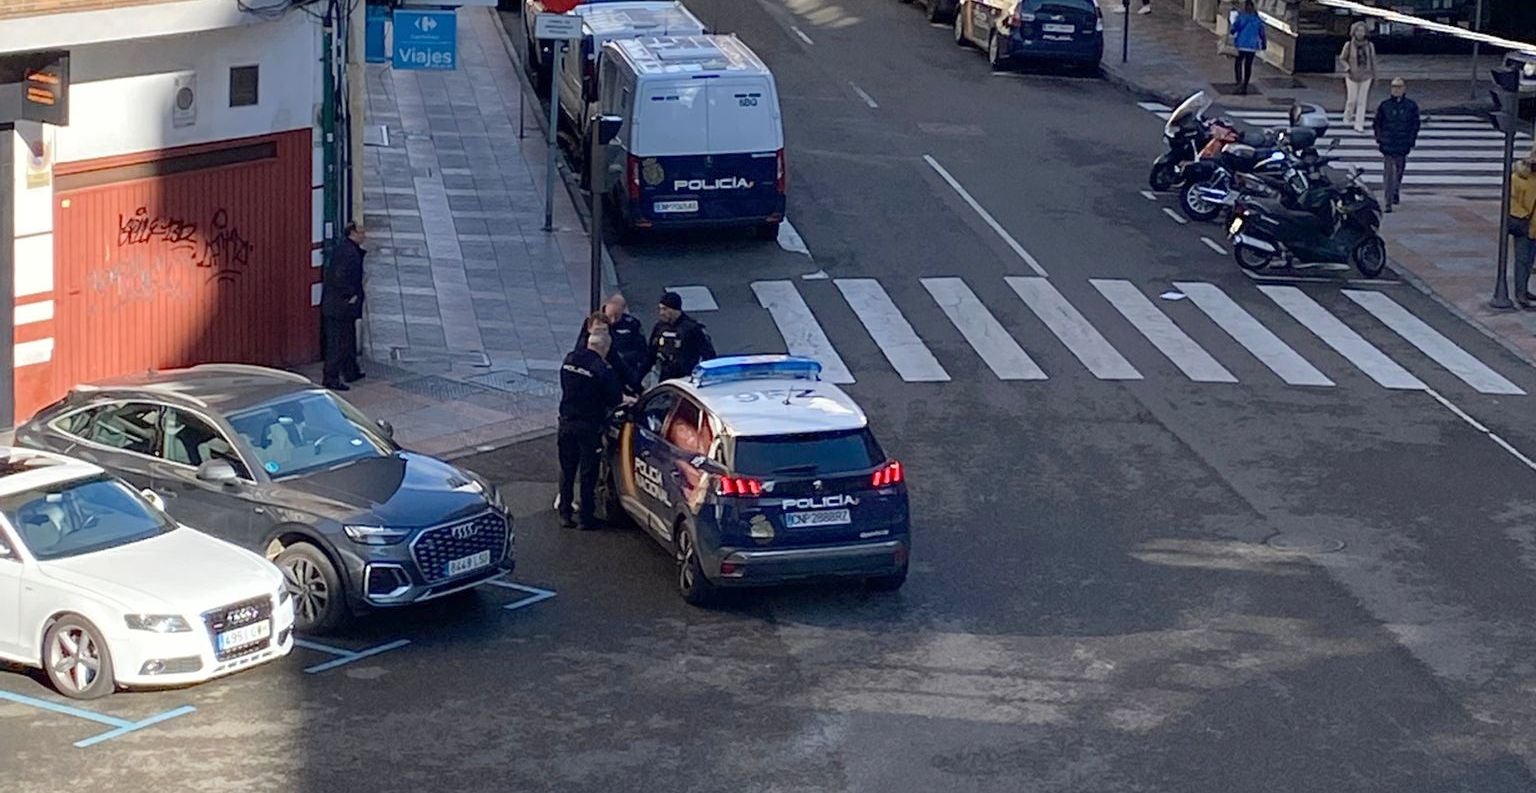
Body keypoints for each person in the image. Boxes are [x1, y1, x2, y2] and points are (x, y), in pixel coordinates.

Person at [557, 333, 624, 529]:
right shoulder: (601, 368)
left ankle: (565, 513)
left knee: (567, 470)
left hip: (566, 423)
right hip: (589, 426)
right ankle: (586, 518)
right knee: (588, 473)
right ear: (604, 348)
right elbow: (614, 398)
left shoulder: (570, 359)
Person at [321, 223, 367, 391]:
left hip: (341, 306)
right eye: (361, 232)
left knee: (347, 339)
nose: (364, 236)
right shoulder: (347, 253)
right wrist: (350, 296)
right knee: (338, 342)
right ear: (353, 233)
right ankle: (331, 377)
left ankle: (350, 371)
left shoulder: (348, 250)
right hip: (339, 306)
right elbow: (339, 277)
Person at [575, 293, 648, 391]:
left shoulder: (632, 324)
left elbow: (642, 350)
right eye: (610, 316)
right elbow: (580, 348)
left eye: (617, 316)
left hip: (623, 369)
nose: (613, 321)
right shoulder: (595, 322)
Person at [1372, 77, 1420, 213]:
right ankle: (1388, 201)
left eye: (1399, 87)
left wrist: (1411, 140)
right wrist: (1379, 138)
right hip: (1388, 143)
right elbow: (1377, 123)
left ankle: (1395, 190)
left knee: (1399, 170)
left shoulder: (1411, 106)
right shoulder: (1385, 105)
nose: (1396, 90)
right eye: (1394, 87)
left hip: (1403, 143)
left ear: (1404, 89)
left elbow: (1415, 124)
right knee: (1388, 173)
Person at [645, 291, 716, 382]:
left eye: (665, 309)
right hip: (666, 377)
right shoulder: (660, 327)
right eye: (660, 309)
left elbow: (708, 354)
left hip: (686, 377)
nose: (661, 313)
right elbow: (650, 355)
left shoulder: (692, 328)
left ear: (675, 309)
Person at [1338, 21, 1377, 133]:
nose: (1360, 33)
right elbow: (1342, 58)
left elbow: (1373, 61)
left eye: (1362, 31)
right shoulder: (1349, 45)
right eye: (1358, 30)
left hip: (1366, 75)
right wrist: (1347, 67)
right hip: (1352, 75)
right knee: (1352, 99)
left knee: (1362, 101)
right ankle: (1348, 116)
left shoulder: (1369, 46)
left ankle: (1359, 124)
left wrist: (1375, 75)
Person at [1508, 152, 1536, 308]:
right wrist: (1524, 217)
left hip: (1533, 225)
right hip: (1525, 224)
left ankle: (1524, 290)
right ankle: (1520, 292)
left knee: (1529, 260)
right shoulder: (1519, 178)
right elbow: (1512, 201)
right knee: (1522, 260)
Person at [1229, 1, 1266, 96]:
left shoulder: (1241, 17)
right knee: (1248, 66)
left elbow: (1234, 28)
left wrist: (1231, 33)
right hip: (1252, 46)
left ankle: (1238, 82)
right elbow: (1262, 33)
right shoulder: (1257, 19)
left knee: (1238, 63)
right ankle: (1245, 85)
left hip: (1241, 44)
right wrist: (1263, 44)